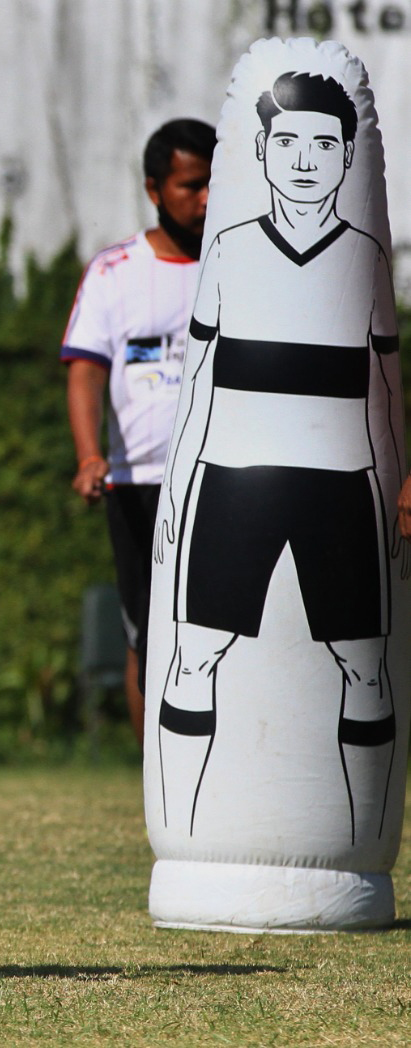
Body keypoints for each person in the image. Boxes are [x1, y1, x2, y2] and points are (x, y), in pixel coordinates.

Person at [153, 73, 402, 840]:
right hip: (231, 484)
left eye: (323, 143)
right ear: (259, 154)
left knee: (363, 667)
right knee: (195, 657)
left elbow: (386, 388)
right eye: (286, 142)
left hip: (339, 490)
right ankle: (186, 838)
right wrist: (178, 487)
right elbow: (197, 382)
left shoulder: (361, 259)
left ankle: (354, 847)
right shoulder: (227, 251)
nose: (303, 160)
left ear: (346, 157)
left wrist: (400, 481)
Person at [61, 118, 214, 745]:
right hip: (141, 484)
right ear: (155, 188)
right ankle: (159, 783)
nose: (205, 199)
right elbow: (84, 370)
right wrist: (90, 454)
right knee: (147, 635)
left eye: (215, 184)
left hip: (224, 479)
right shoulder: (115, 270)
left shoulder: (246, 265)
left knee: (221, 635)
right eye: (191, 185)